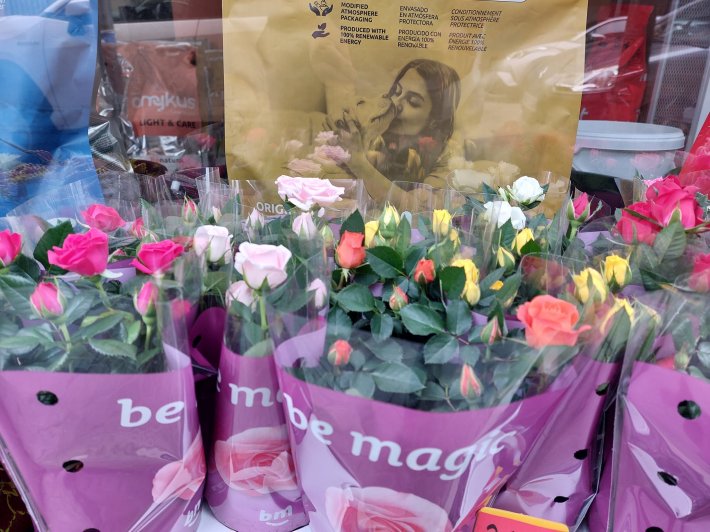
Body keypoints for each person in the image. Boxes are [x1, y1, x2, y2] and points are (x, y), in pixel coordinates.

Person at [334, 59, 461, 203]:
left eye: (412, 101)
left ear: (435, 119)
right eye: (396, 92)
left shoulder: (447, 154)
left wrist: (359, 164)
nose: (396, 103)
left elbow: (423, 209)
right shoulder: (371, 135)